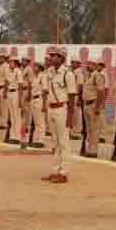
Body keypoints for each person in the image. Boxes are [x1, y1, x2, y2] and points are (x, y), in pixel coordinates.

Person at [43, 48, 78, 183]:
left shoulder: (67, 74)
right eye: (51, 56)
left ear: (62, 58)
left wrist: (70, 116)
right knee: (55, 142)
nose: (51, 58)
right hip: (52, 108)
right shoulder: (50, 73)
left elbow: (72, 95)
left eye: (55, 56)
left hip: (62, 109)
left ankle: (64, 173)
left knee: (63, 143)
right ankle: (55, 170)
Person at [86, 58, 109, 151]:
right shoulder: (89, 75)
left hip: (94, 103)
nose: (88, 66)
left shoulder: (99, 75)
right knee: (90, 128)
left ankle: (94, 149)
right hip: (88, 103)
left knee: (95, 126)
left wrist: (100, 104)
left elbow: (103, 90)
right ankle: (90, 147)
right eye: (88, 64)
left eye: (90, 64)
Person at [4, 56, 24, 143]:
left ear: (15, 63)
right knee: (12, 116)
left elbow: (20, 86)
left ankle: (17, 137)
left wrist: (20, 99)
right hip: (10, 93)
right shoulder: (10, 72)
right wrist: (5, 92)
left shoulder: (18, 71)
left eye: (11, 62)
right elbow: (7, 82)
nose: (9, 64)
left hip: (16, 93)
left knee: (17, 116)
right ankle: (13, 135)